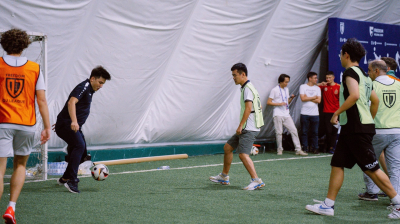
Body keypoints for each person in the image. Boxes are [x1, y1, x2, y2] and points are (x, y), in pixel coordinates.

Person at [305, 38, 400, 219]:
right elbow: (375, 101)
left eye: (341, 54)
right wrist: (369, 119)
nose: (340, 57)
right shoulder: (365, 75)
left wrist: (336, 113)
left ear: (346, 55)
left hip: (356, 128)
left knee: (371, 168)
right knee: (337, 164)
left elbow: (355, 95)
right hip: (354, 128)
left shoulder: (350, 72)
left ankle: (398, 202)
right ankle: (328, 205)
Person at [0, 29, 51, 224]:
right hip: (26, 124)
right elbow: (42, 101)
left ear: (4, 44)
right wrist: (46, 127)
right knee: (20, 165)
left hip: (2, 122)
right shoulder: (35, 68)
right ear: (25, 45)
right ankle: (11, 207)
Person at [209, 63, 265, 190]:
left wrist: (240, 126)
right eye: (233, 75)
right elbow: (258, 106)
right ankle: (224, 177)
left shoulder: (247, 89)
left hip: (249, 128)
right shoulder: (250, 87)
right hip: (249, 126)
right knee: (228, 148)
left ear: (243, 74)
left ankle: (256, 180)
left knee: (243, 155)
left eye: (235, 75)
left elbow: (248, 108)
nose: (233, 78)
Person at [55, 66, 111, 193]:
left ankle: (65, 178)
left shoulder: (90, 90)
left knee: (83, 155)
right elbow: (71, 102)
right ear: (92, 79)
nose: (101, 86)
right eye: (100, 82)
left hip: (67, 124)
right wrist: (72, 121)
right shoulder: (84, 87)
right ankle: (72, 181)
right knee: (79, 146)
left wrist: (63, 120)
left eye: (103, 84)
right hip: (68, 125)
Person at [358, 60, 400, 201]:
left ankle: (371, 192)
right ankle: (395, 197)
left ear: (376, 71)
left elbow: (366, 107)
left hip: (377, 131)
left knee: (369, 162)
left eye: (369, 70)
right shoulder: (398, 83)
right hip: (396, 131)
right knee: (395, 167)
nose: (368, 73)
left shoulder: (371, 85)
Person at [267, 74, 308, 156]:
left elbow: (286, 103)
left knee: (294, 130)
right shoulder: (274, 90)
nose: (287, 83)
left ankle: (298, 150)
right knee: (279, 132)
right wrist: (279, 103)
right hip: (278, 113)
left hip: (286, 113)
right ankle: (279, 149)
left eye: (288, 82)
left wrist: (291, 98)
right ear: (281, 81)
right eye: (286, 82)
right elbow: (268, 102)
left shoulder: (286, 89)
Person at [317, 71, 340, 153]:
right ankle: (326, 147)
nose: (328, 79)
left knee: (334, 131)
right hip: (326, 112)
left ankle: (331, 148)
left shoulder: (338, 87)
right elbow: (313, 86)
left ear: (333, 78)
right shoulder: (324, 86)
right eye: (327, 78)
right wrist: (320, 83)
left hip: (336, 113)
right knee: (328, 131)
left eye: (329, 77)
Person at [299, 72, 321, 154]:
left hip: (315, 114)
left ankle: (315, 147)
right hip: (304, 113)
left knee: (315, 132)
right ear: (310, 78)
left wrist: (307, 97)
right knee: (304, 131)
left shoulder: (317, 88)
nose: (316, 79)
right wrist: (313, 97)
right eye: (315, 78)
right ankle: (305, 147)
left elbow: (319, 100)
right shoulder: (303, 86)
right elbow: (302, 99)